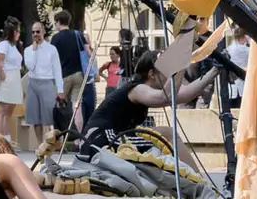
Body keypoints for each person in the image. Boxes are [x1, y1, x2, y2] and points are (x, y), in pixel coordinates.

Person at [80, 49, 221, 153]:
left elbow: (185, 94)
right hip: (100, 137)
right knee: (155, 150)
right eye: (166, 72)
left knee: (168, 134)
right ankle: (186, 183)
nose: (169, 77)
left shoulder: (144, 89)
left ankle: (195, 181)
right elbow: (165, 97)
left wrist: (214, 71)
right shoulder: (137, 89)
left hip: (112, 135)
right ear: (152, 74)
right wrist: (181, 65)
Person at [49, 10, 88, 134]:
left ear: (58, 22)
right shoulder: (78, 34)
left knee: (59, 107)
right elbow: (88, 53)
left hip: (63, 77)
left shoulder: (55, 38)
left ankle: (60, 137)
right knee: (77, 107)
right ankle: (78, 141)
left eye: (56, 23)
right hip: (79, 74)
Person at [23, 21, 63, 138]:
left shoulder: (52, 49)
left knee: (49, 116)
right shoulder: (28, 50)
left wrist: (60, 89)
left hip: (47, 82)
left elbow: (57, 69)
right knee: (35, 118)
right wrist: (34, 51)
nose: (35, 34)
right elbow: (30, 66)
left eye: (38, 31)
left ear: (43, 32)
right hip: (33, 82)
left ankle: (51, 142)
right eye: (33, 32)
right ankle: (40, 144)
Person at [0, 18, 24, 143]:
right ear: (13, 32)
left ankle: (6, 137)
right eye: (17, 31)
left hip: (15, 77)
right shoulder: (4, 45)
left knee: (9, 110)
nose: (19, 34)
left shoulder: (14, 46)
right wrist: (4, 77)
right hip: (7, 78)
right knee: (2, 109)